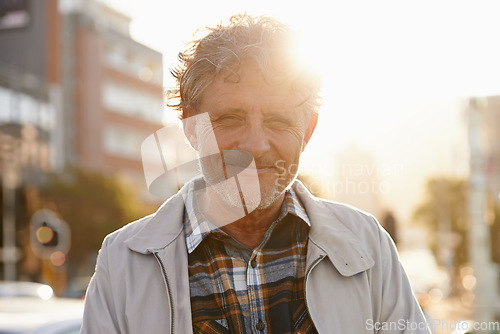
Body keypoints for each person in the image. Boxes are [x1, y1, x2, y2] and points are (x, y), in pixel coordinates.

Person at [81, 14, 430, 334]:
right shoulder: (122, 262)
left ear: (307, 131)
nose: (254, 145)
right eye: (230, 118)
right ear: (190, 127)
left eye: (278, 121)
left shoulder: (368, 245)